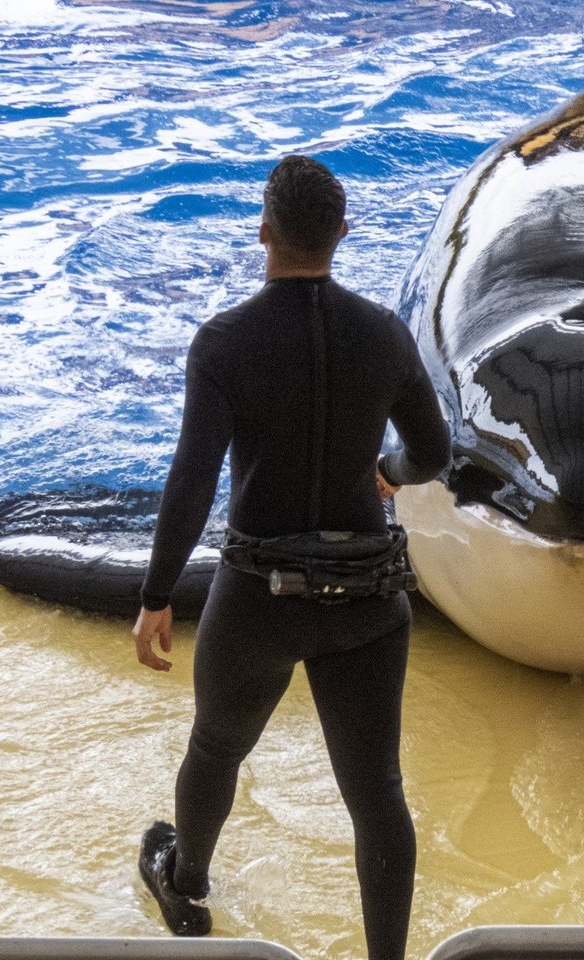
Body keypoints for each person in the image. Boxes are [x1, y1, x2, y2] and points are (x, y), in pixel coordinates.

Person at [131, 154, 450, 960]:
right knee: (377, 793)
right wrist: (389, 474)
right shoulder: (384, 334)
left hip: (257, 599)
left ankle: (187, 883)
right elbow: (435, 452)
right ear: (342, 234)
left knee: (216, 746)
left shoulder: (224, 342)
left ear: (264, 231)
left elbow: (193, 479)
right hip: (370, 603)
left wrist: (156, 594)